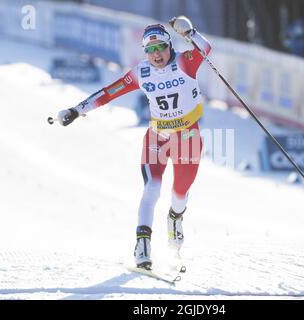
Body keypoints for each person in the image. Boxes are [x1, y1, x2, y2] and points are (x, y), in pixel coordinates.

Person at [56, 16, 211, 270]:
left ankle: (175, 218)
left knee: (180, 193)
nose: (156, 54)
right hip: (158, 138)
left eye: (160, 47)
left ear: (169, 46)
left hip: (188, 138)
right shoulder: (142, 72)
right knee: (152, 187)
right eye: (149, 50)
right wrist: (76, 109)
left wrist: (189, 32)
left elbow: (205, 49)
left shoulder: (185, 61)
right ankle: (143, 245)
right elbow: (109, 92)